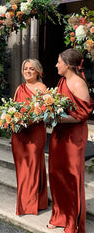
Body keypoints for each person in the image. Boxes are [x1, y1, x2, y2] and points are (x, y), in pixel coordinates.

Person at [47, 49, 93, 233]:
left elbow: (83, 115)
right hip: (59, 134)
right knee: (57, 175)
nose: (56, 65)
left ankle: (72, 221)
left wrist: (56, 118)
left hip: (73, 136)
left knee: (71, 177)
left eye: (59, 62)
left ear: (67, 64)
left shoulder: (78, 83)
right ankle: (59, 216)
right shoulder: (62, 81)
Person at [11, 58, 48, 216]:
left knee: (32, 166)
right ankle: (29, 201)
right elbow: (12, 109)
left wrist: (26, 121)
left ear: (38, 71)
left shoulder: (41, 88)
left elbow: (44, 113)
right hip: (19, 134)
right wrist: (10, 119)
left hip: (35, 133)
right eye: (25, 68)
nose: (28, 71)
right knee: (21, 168)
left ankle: (29, 204)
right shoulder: (19, 88)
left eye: (31, 69)